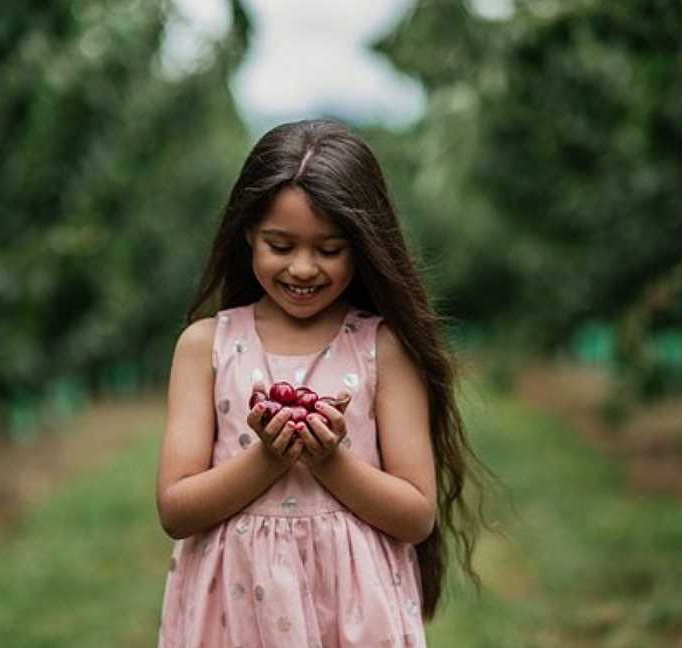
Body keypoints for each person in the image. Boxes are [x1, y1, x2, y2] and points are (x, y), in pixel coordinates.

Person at [155, 119, 497, 647]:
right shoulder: (207, 346)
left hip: (351, 614)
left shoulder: (381, 349)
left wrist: (329, 459)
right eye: (280, 244)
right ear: (248, 232)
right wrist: (267, 457)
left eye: (330, 249)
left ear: (362, 247)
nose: (303, 267)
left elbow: (415, 514)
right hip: (237, 614)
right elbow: (176, 509)